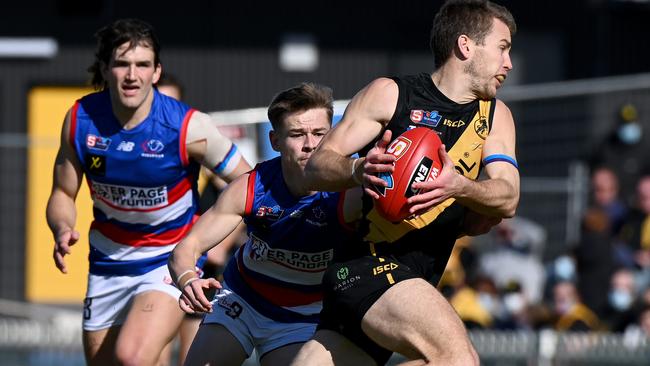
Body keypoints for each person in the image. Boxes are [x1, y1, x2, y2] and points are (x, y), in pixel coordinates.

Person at [292, 0, 519, 365]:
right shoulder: (392, 94)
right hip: (365, 265)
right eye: (502, 48)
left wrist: (459, 187)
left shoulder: (495, 117)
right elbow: (315, 167)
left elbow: (508, 197)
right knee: (459, 361)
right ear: (465, 46)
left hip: (413, 283)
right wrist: (356, 169)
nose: (508, 63)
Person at [45, 19, 250, 365]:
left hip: (169, 259)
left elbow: (249, 183)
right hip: (107, 261)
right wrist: (62, 227)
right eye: (122, 64)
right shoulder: (80, 119)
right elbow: (63, 194)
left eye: (142, 65)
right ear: (106, 69)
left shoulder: (187, 126)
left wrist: (213, 239)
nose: (131, 75)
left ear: (156, 72)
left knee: (133, 356)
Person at [168, 82, 366, 366]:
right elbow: (187, 247)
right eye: (297, 134)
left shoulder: (352, 190)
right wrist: (188, 279)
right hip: (242, 302)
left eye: (320, 133)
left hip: (304, 316)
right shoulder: (251, 186)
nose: (310, 144)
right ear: (275, 141)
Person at [156, 72, 247, 365]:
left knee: (192, 347)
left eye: (171, 101)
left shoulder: (195, 144)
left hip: (197, 260)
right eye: (159, 99)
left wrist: (220, 247)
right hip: (155, 256)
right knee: (150, 349)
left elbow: (246, 194)